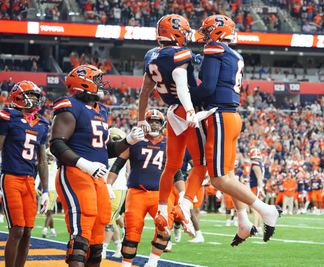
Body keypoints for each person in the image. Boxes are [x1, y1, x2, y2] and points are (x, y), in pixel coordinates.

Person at [193, 15, 281, 246]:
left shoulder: (215, 49)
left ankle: (265, 210)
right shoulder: (233, 53)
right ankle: (243, 221)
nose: (204, 34)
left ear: (217, 33)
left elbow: (208, 87)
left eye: (208, 30)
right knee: (228, 176)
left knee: (219, 179)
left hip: (220, 115)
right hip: (230, 115)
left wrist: (188, 96)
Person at [50, 64, 144, 267]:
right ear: (85, 83)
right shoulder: (69, 106)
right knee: (82, 233)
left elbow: (105, 149)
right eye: (97, 80)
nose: (101, 84)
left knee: (98, 236)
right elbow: (56, 144)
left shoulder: (101, 110)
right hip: (75, 172)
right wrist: (85, 165)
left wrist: (128, 140)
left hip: (97, 177)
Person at [137, 14, 208, 239]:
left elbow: (144, 92)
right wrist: (190, 110)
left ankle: (161, 209)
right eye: (184, 31)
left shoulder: (151, 56)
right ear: (175, 32)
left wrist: (140, 120)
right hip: (186, 110)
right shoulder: (179, 54)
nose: (186, 35)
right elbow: (179, 77)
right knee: (202, 163)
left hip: (171, 112)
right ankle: (185, 206)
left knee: (171, 166)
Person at [107, 109, 175, 267]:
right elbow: (118, 165)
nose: (154, 124)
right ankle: (126, 264)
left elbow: (176, 171)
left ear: (162, 124)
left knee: (165, 229)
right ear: (145, 123)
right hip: (137, 193)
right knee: (132, 231)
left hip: (161, 195)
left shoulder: (168, 143)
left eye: (157, 121)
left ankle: (152, 262)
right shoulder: (134, 140)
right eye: (151, 121)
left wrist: (184, 193)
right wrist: (108, 184)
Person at [0, 80, 49, 267]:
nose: (36, 100)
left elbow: (42, 159)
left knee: (28, 231)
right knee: (17, 229)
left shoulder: (42, 123)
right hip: (11, 176)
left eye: (37, 96)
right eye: (32, 96)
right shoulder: (8, 117)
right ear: (18, 97)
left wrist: (45, 190)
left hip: (30, 180)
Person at [102, 128, 129, 259]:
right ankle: (119, 246)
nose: (113, 141)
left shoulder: (123, 151)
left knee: (110, 219)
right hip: (107, 187)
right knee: (110, 218)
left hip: (117, 187)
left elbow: (127, 171)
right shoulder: (107, 150)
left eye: (114, 138)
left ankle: (104, 248)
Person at [42, 149, 58, 238]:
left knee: (48, 211)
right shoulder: (44, 165)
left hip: (52, 190)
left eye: (48, 155)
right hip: (46, 190)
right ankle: (52, 231)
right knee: (47, 212)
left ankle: (45, 229)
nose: (46, 157)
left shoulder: (55, 166)